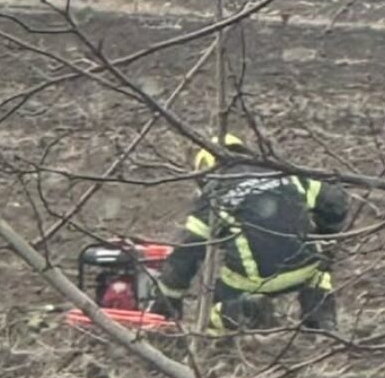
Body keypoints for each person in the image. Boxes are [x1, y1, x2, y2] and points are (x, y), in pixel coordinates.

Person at [149, 134, 349, 333]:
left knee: (213, 315)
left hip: (254, 281)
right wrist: (325, 238)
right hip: (305, 268)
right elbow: (335, 201)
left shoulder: (214, 197)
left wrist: (168, 300)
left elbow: (188, 252)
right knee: (319, 274)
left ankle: (245, 312)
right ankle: (321, 319)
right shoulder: (286, 175)